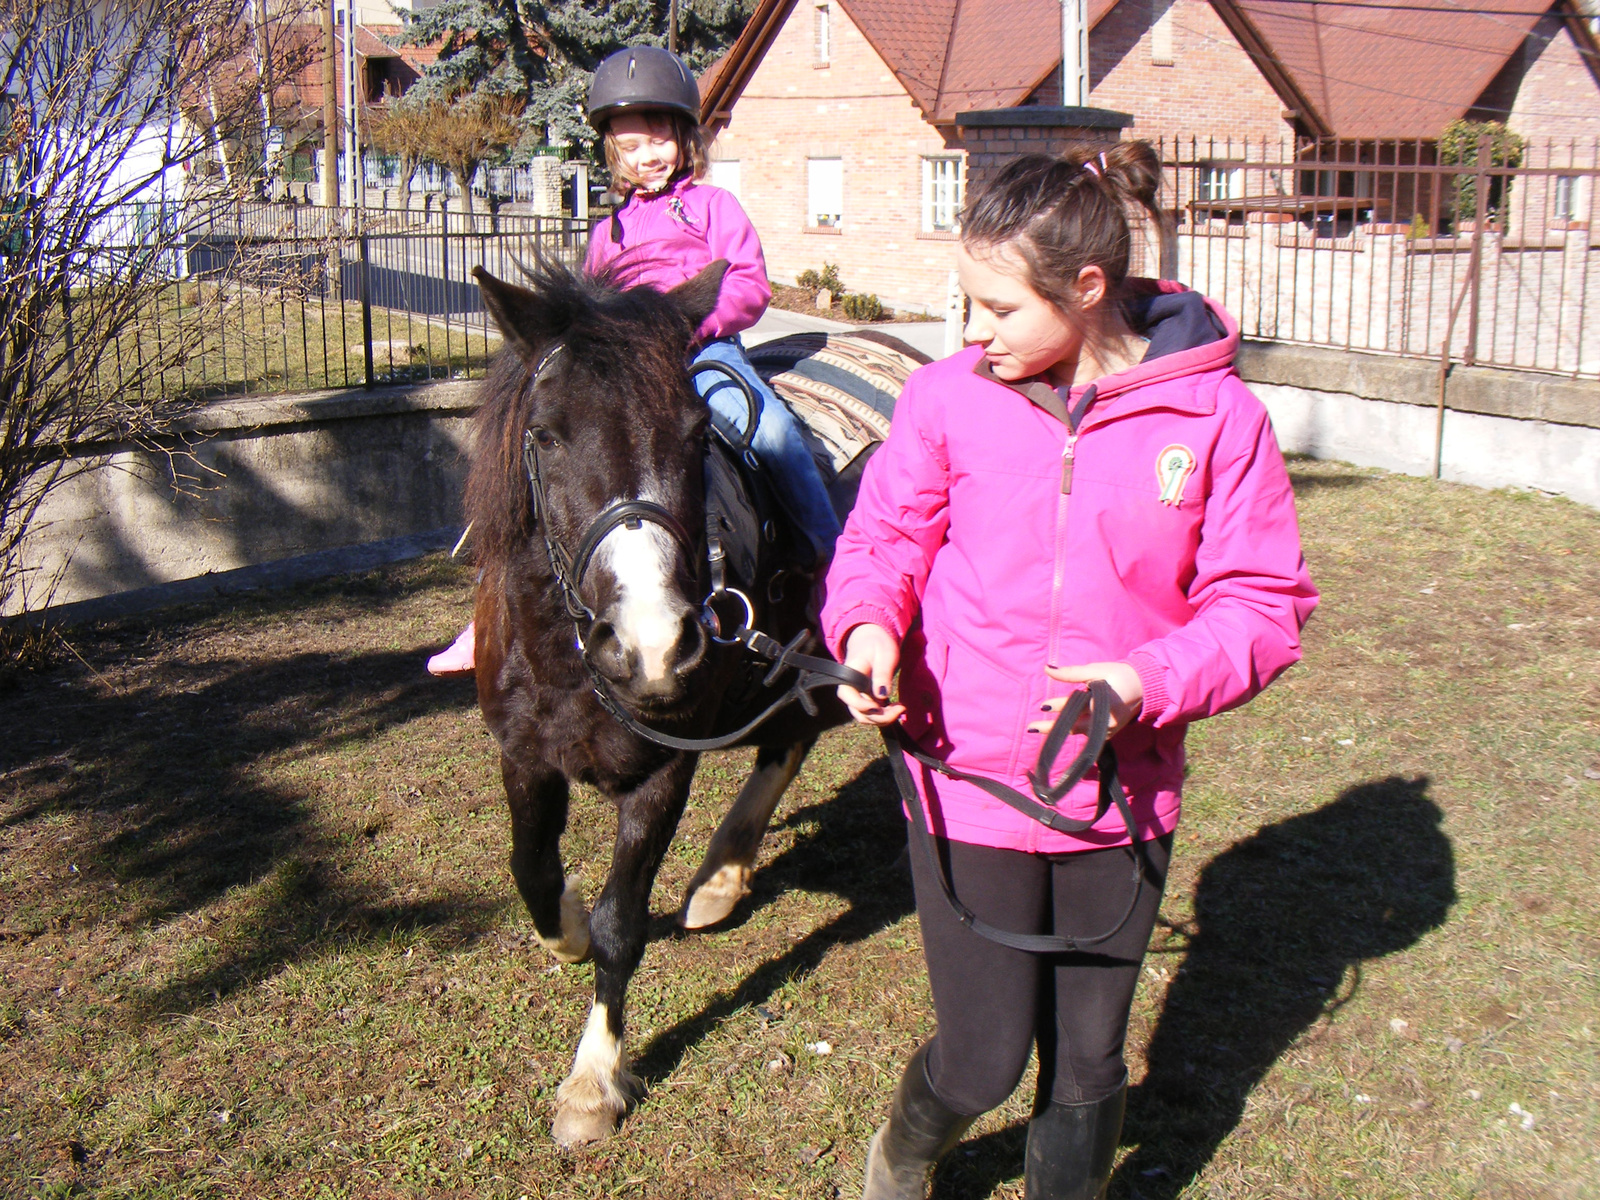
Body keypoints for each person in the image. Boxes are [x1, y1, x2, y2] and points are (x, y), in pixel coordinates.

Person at [820, 143, 1319, 1199]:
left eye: (996, 309)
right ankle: (902, 1161)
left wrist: (1144, 681)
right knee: (984, 1059)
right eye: (964, 303)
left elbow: (1261, 606)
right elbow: (882, 542)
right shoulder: (947, 398)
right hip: (964, 779)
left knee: (1089, 1063)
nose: (968, 333)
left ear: (1086, 290)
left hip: (1118, 794)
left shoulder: (1218, 420)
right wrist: (866, 628)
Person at [427, 45, 840, 675]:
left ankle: (829, 559)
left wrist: (689, 326)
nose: (647, 156)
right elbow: (588, 313)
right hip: (621, 380)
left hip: (701, 355)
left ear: (684, 136)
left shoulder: (713, 208)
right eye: (630, 146)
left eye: (658, 140)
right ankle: (490, 610)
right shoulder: (607, 231)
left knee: (773, 430)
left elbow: (750, 285)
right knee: (540, 461)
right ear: (611, 153)